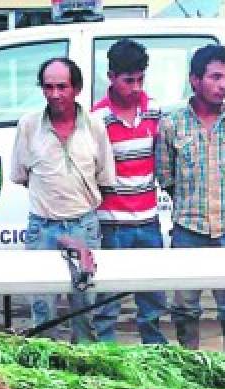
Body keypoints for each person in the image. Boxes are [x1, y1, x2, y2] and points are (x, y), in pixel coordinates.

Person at [155, 44, 225, 358]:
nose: (223, 84)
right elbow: (166, 177)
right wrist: (193, 205)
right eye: (215, 77)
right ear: (195, 80)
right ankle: (193, 371)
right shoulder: (172, 124)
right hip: (188, 230)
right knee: (185, 307)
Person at [11, 57, 115, 343]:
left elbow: (105, 178)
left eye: (62, 87)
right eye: (48, 87)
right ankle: (47, 377)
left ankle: (85, 375)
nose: (54, 94)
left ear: (77, 88)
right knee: (42, 312)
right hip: (42, 229)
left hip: (84, 227)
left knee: (85, 311)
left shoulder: (95, 126)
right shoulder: (29, 126)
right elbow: (21, 176)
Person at [90, 39, 168, 345]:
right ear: (111, 77)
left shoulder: (154, 112)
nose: (135, 87)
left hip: (149, 222)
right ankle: (107, 362)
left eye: (140, 80)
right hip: (112, 224)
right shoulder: (97, 119)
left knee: (152, 302)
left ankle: (156, 358)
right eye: (128, 81)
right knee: (107, 302)